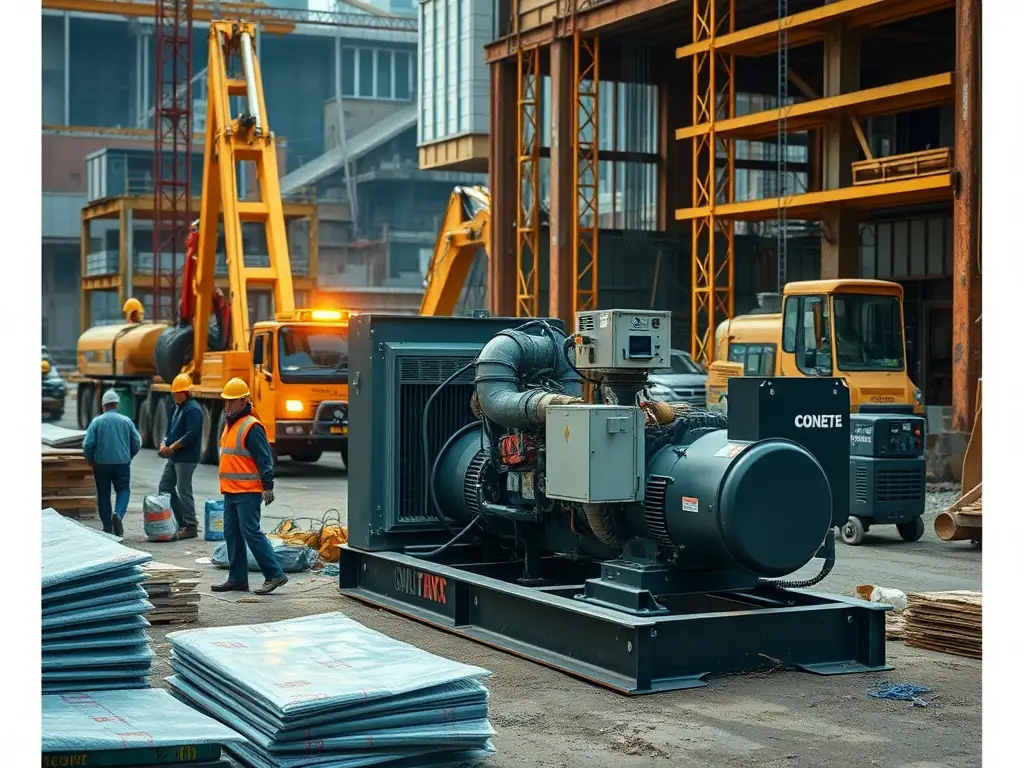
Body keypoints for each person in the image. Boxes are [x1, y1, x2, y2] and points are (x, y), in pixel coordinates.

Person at [212, 377, 288, 596]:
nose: (227, 405)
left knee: (251, 532)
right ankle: (237, 579)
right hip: (231, 490)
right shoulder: (231, 424)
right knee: (231, 533)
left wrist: (268, 485)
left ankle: (274, 574)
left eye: (232, 401)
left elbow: (264, 458)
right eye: (225, 401)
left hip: (248, 491)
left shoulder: (251, 426)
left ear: (244, 400)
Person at [83, 389, 142, 537]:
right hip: (122, 463)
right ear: (117, 404)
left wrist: (91, 460)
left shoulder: (96, 422)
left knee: (103, 494)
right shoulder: (126, 421)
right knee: (123, 490)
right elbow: (137, 442)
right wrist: (129, 456)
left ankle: (107, 527)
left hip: (101, 464)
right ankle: (118, 515)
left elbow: (88, 444)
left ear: (103, 405)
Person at [158, 373, 203, 539]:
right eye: (174, 393)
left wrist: (173, 448)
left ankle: (191, 525)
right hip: (175, 456)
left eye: (178, 393)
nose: (176, 396)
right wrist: (164, 444)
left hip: (186, 457)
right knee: (165, 487)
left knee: (184, 490)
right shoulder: (176, 407)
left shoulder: (193, 409)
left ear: (187, 393)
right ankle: (181, 521)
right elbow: (169, 431)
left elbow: (192, 434)